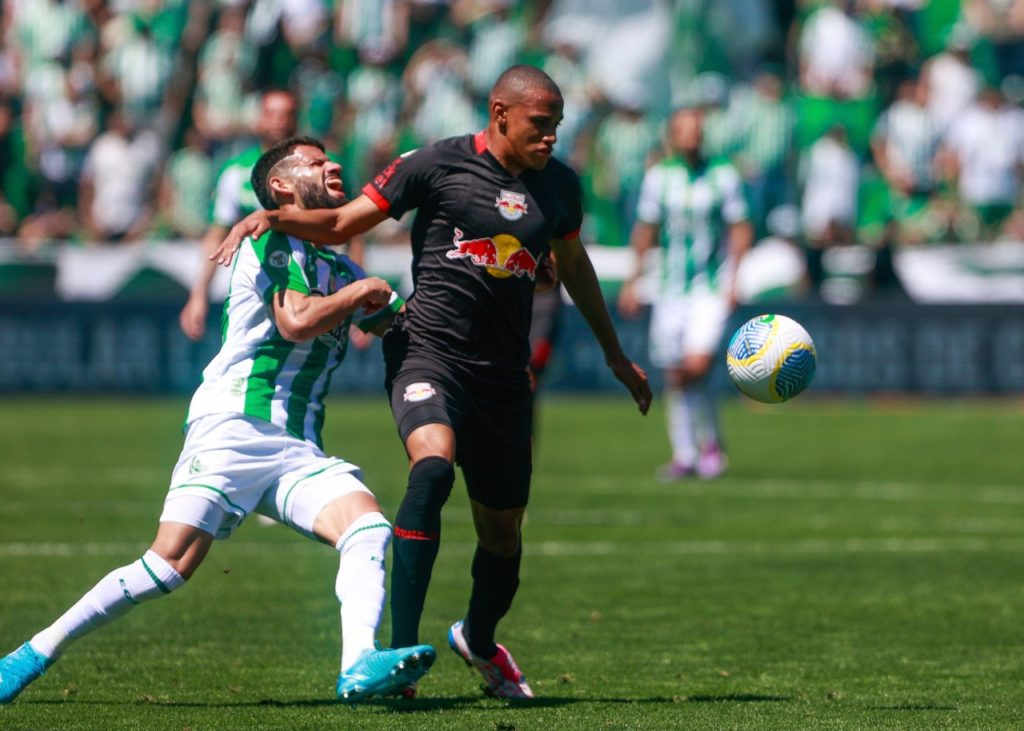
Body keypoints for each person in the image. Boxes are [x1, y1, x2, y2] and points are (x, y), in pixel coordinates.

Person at [212, 64, 652, 699]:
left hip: (504, 375)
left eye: (556, 125)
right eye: (540, 123)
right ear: (501, 113)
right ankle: (398, 656)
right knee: (433, 468)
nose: (552, 136)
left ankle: (477, 637)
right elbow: (342, 224)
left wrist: (615, 354)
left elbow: (575, 265)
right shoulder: (435, 164)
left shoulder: (559, 187)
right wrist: (272, 220)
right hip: (427, 351)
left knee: (503, 537)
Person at [0, 135, 436, 706]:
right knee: (168, 566)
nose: (332, 164)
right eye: (314, 161)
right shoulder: (274, 240)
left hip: (297, 446)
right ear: (281, 187)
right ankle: (32, 653)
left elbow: (403, 328)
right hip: (233, 427)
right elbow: (295, 322)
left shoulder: (340, 263)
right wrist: (361, 294)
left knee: (367, 527)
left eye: (331, 156)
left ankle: (357, 664)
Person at [618, 105, 753, 482]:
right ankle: (688, 453)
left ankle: (706, 445)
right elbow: (646, 229)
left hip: (709, 287)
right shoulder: (659, 178)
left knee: (696, 366)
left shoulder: (724, 175)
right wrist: (634, 279)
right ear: (673, 135)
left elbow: (741, 227)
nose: (692, 136)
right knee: (676, 374)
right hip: (670, 289)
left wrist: (735, 278)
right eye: (685, 130)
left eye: (697, 129)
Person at [178, 88, 299, 341]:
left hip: (308, 285)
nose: (279, 120)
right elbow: (217, 235)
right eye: (271, 113)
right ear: (258, 120)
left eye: (287, 113)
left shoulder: (319, 168)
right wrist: (199, 294)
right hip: (254, 288)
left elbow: (349, 232)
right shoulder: (236, 171)